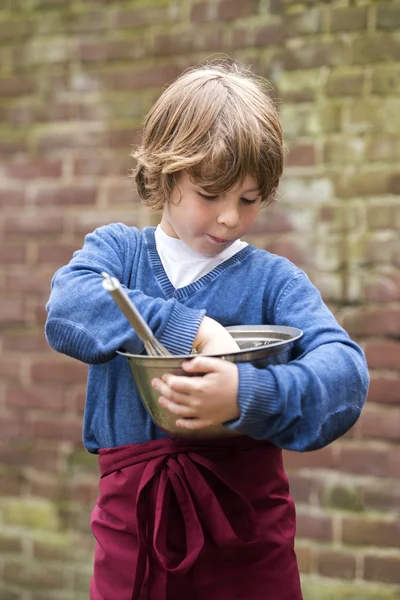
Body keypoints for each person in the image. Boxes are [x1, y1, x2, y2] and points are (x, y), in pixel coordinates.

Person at [45, 60, 369, 600]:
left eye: (248, 199)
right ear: (166, 174)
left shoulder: (274, 282)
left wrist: (245, 394)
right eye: (211, 194)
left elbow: (345, 377)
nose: (229, 219)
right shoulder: (119, 254)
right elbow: (68, 308)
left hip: (248, 548)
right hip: (134, 540)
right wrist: (190, 328)